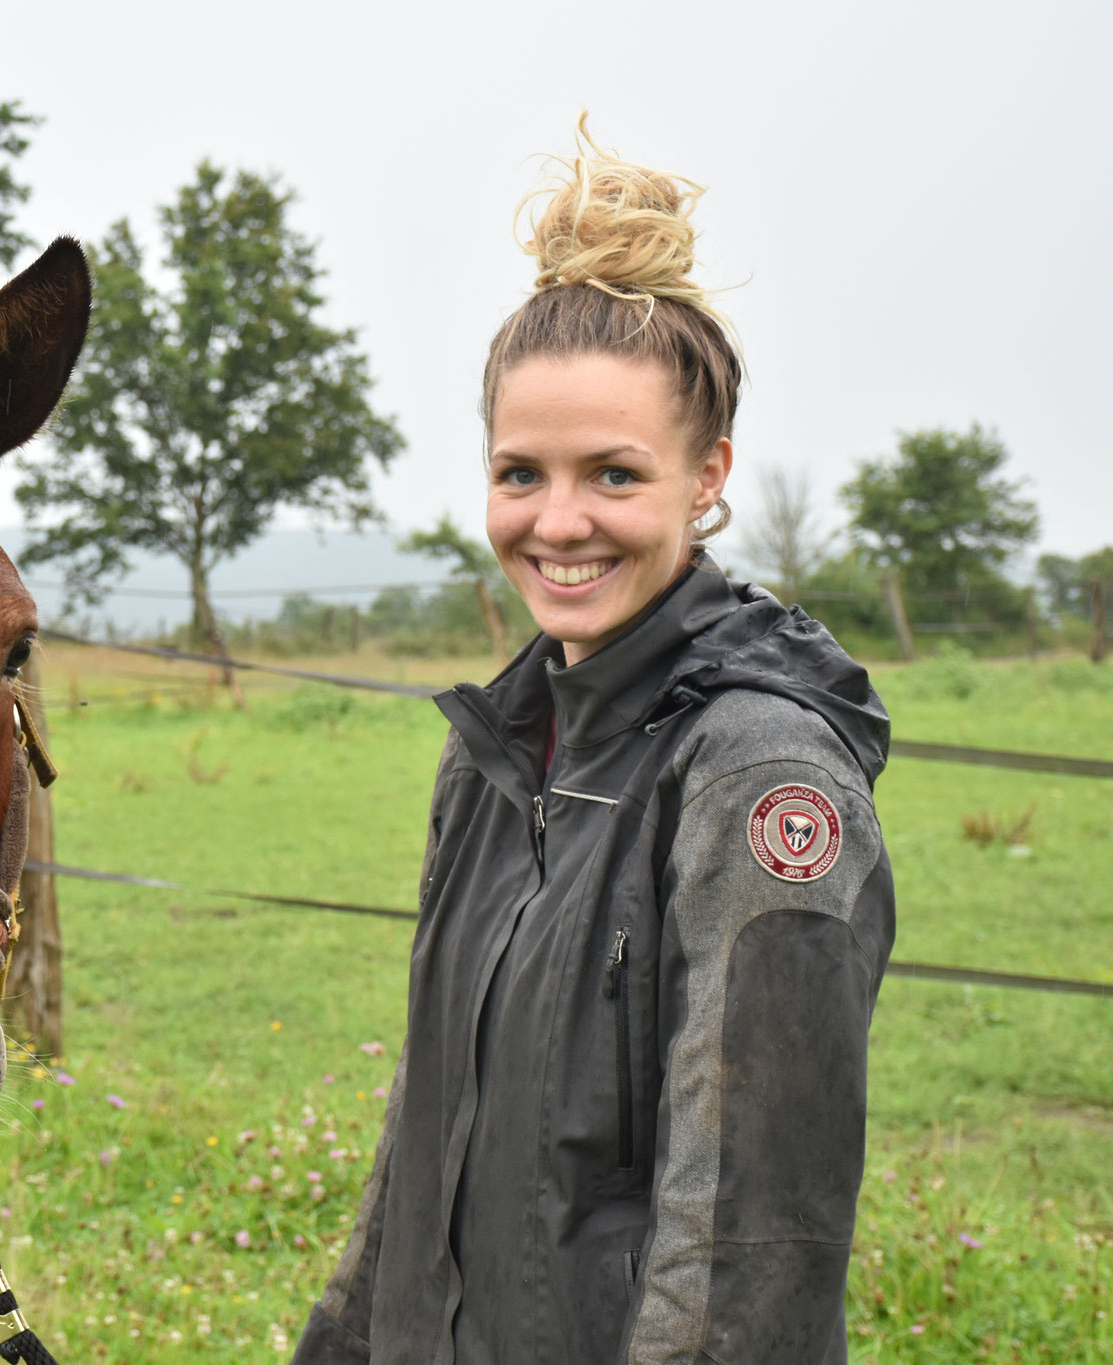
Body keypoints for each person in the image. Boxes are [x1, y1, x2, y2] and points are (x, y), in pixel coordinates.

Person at [294, 121, 895, 1365]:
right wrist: (343, 1338)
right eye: (520, 473)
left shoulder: (753, 775)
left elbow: (751, 1244)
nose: (555, 523)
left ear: (706, 476)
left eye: (612, 476)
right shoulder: (496, 748)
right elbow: (428, 1120)